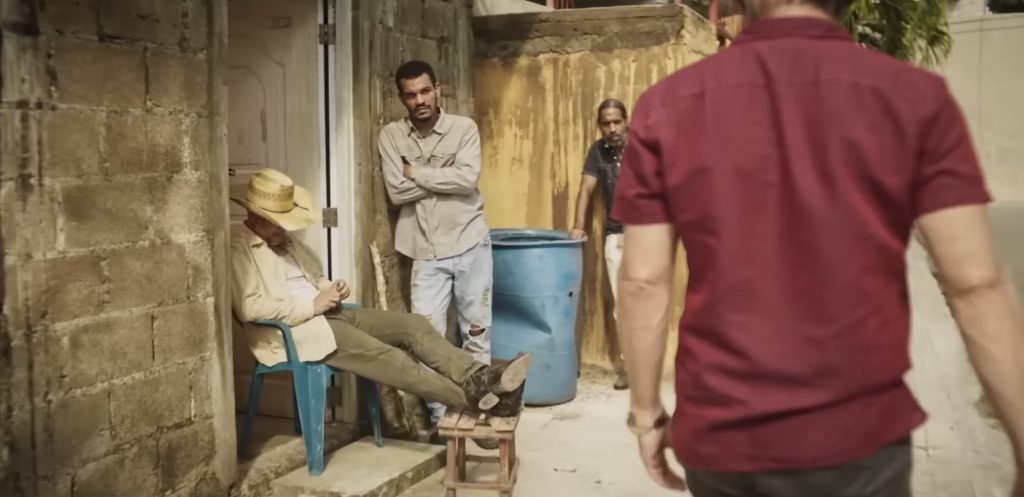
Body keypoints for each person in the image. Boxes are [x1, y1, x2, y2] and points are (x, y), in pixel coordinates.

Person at [611, 1, 1024, 496]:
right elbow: (976, 283)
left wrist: (646, 415)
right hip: (859, 444)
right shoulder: (914, 97)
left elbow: (642, 281)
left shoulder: (669, 104)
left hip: (724, 440)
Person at [229, 168, 530, 434]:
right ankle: (482, 403)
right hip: (298, 331)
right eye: (276, 223)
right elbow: (248, 308)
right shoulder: (239, 250)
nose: (283, 229)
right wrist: (312, 306)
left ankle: (479, 376)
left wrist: (331, 288)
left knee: (413, 326)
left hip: (329, 314)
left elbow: (314, 278)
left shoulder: (285, 241)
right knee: (394, 360)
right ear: (254, 217)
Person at [378, 60, 494, 427]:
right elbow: (397, 192)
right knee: (427, 340)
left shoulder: (463, 129)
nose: (420, 100)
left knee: (476, 333)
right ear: (402, 98)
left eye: (425, 91)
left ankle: (480, 412)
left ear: (437, 90)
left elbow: (467, 179)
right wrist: (446, 177)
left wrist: (416, 172)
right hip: (424, 252)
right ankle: (443, 422)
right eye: (411, 95)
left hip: (470, 242)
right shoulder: (392, 136)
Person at [569, 98, 632, 390]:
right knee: (622, 307)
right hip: (616, 237)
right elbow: (586, 189)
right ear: (599, 126)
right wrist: (578, 225)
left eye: (617, 122)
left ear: (626, 121)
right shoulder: (598, 151)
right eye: (606, 123)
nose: (612, 128)